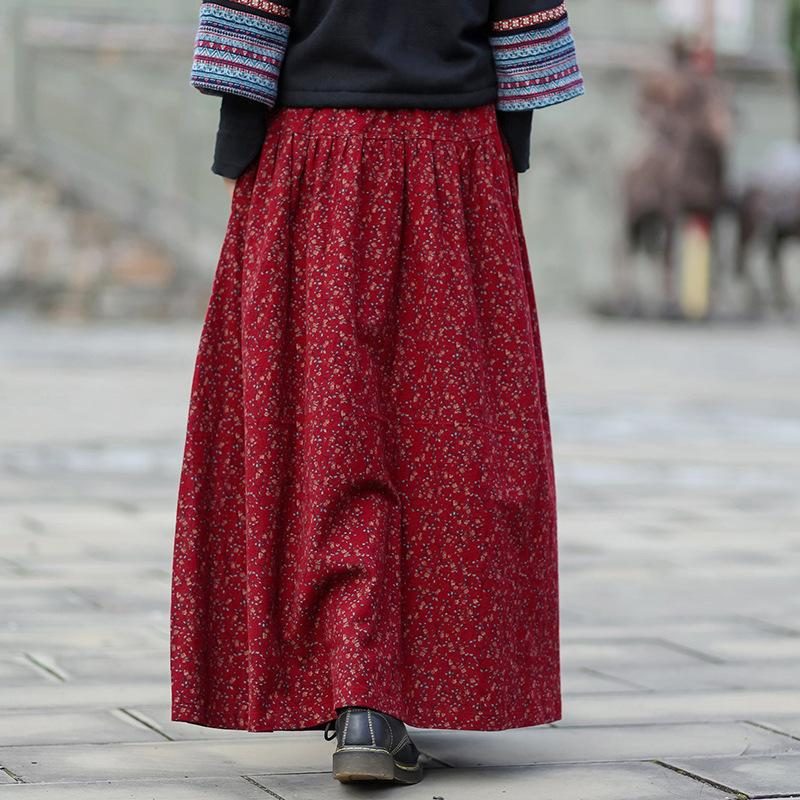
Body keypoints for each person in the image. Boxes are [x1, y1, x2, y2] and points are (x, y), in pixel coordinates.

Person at [170, 0, 584, 786]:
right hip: (455, 161)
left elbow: (251, 29)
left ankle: (357, 691)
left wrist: (242, 161)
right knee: (447, 443)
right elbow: (523, 46)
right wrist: (504, 162)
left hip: (311, 158)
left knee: (328, 438)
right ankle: (397, 688)